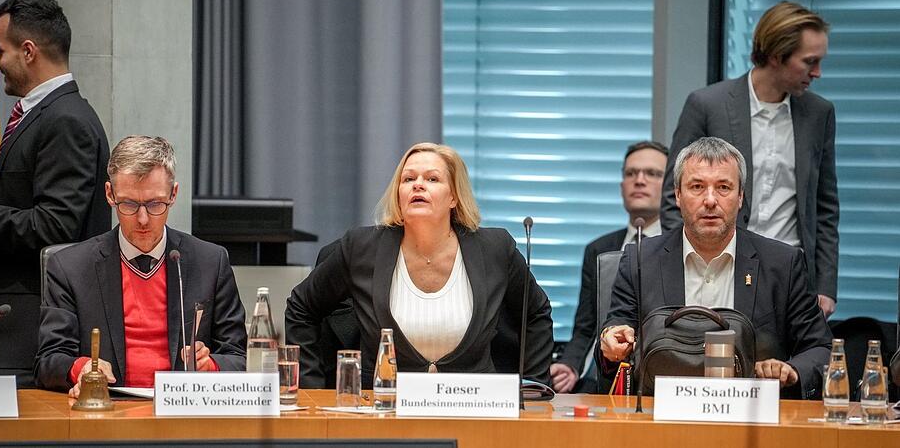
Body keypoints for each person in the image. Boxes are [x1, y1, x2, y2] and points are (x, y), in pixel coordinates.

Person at [286, 142, 554, 387]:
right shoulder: (362, 248)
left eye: (432, 179)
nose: (418, 185)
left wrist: (533, 388)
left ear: (453, 197)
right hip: (384, 408)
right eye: (408, 179)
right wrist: (312, 389)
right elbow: (301, 307)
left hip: (474, 407)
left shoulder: (495, 248)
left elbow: (536, 312)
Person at [0, 0, 110, 385]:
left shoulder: (66, 120)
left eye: (1, 50)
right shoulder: (44, 115)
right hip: (5, 330)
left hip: (26, 334)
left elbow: (56, 226)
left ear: (29, 51)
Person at [602, 137, 831, 399]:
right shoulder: (640, 259)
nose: (710, 200)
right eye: (697, 187)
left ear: (741, 196)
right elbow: (614, 340)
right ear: (677, 194)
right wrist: (612, 344)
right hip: (662, 419)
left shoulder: (782, 263)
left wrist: (790, 369)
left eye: (723, 187)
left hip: (752, 417)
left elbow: (820, 349)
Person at [661, 1, 839, 318]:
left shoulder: (819, 113)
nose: (818, 72)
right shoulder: (707, 104)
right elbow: (673, 195)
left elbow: (825, 207)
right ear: (775, 56)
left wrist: (825, 285)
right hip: (720, 268)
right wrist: (683, 269)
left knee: (783, 367)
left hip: (789, 276)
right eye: (809, 61)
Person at [34, 136, 247, 397]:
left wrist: (210, 365)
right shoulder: (70, 266)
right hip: (107, 409)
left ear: (173, 194)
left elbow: (239, 357)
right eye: (129, 204)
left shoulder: (210, 261)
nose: (143, 219)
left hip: (183, 412)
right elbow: (49, 361)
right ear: (110, 194)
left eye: (155, 204)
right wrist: (83, 368)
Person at [552, 140, 667, 393]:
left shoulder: (682, 246)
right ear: (621, 186)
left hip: (663, 374)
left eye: (652, 173)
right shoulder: (599, 250)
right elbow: (585, 329)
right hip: (605, 372)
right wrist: (569, 365)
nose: (639, 180)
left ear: (671, 188)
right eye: (630, 173)